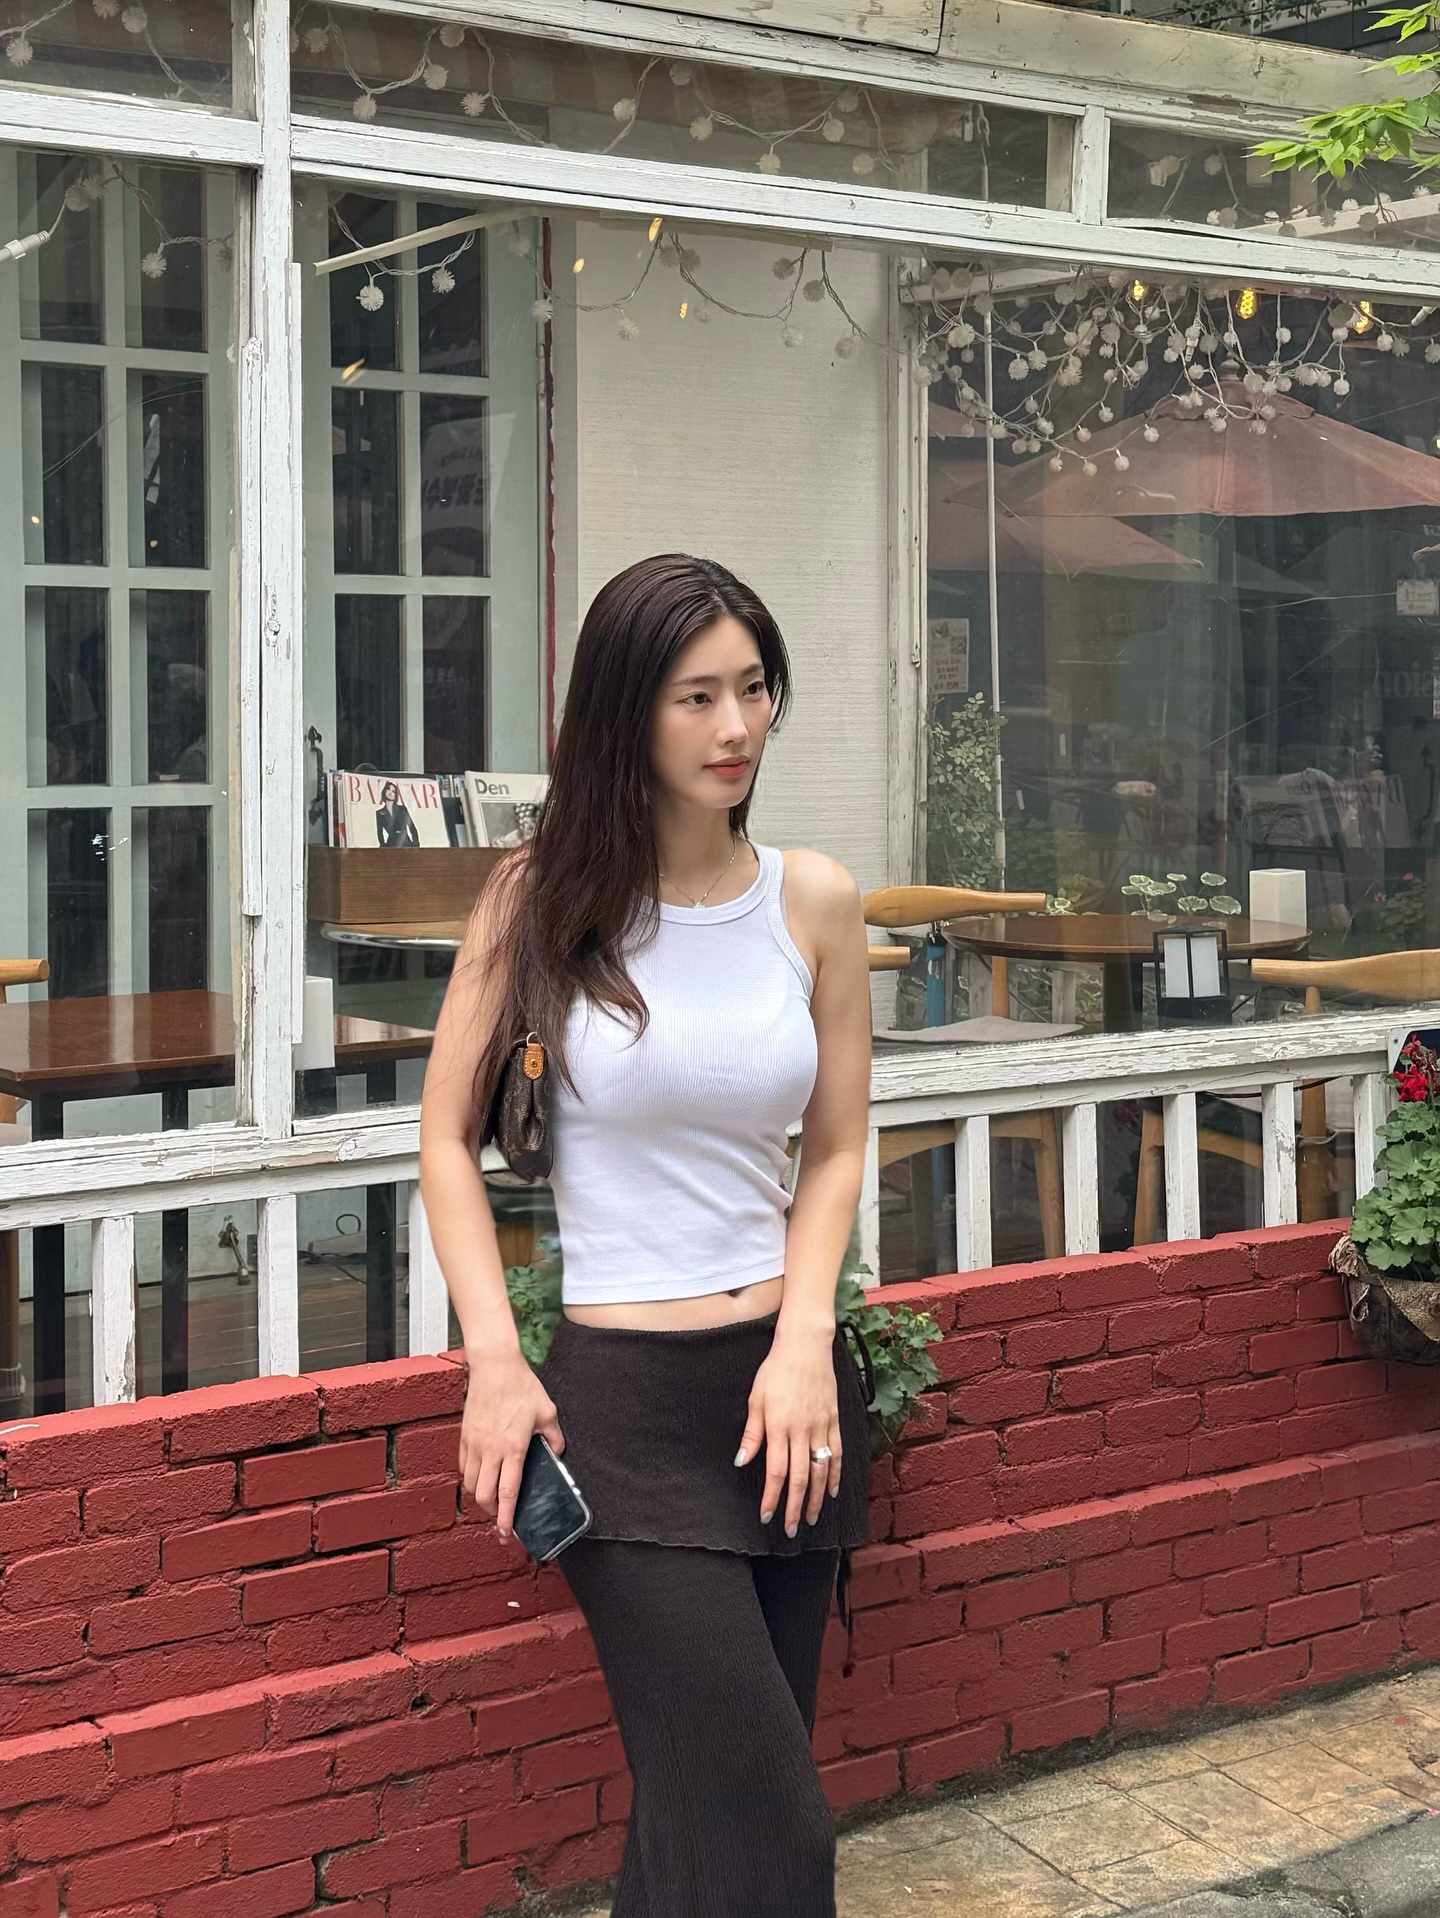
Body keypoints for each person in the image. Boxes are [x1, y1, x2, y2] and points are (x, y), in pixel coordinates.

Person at [419, 552, 873, 1916]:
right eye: (697, 696)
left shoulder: (813, 900)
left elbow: (837, 1147)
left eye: (754, 688)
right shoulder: (538, 901)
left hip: (785, 1405)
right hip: (622, 1417)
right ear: (627, 711)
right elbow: (444, 1139)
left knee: (697, 1836)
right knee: (773, 1832)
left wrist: (806, 1340)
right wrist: (496, 1359)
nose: (737, 726)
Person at [375, 778, 420, 846]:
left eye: (393, 791)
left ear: (395, 795)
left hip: (406, 844)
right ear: (384, 791)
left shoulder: (402, 809)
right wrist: (383, 846)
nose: (391, 792)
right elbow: (379, 832)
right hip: (391, 845)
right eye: (388, 789)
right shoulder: (380, 813)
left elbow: (412, 828)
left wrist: (416, 845)